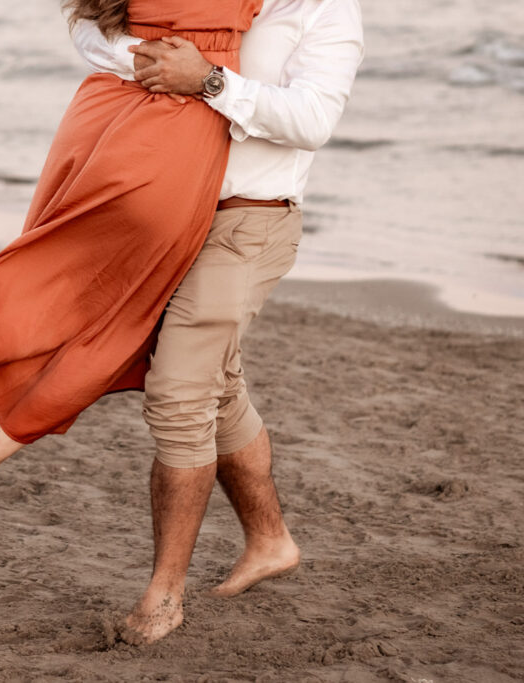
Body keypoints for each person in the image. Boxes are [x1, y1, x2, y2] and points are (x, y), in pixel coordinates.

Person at [0, 0, 262, 516]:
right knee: (126, 318)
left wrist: (142, 50)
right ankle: (7, 430)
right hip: (172, 139)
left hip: (94, 122)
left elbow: (91, 33)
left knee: (50, 280)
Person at [70, 0, 364, 644]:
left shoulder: (325, 10)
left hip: (250, 221)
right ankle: (270, 541)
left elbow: (312, 120)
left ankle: (163, 596)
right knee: (216, 385)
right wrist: (152, 61)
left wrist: (208, 79)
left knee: (178, 395)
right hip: (168, 212)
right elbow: (93, 32)